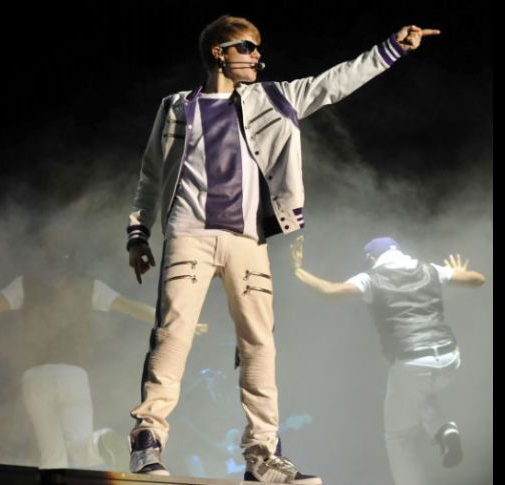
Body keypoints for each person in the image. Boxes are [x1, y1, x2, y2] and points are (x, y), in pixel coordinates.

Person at [125, 13, 439, 484]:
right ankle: (147, 440)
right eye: (247, 47)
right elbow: (151, 175)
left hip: (248, 240)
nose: (257, 56)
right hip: (189, 234)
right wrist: (138, 233)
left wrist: (391, 49)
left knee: (259, 344)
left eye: (257, 48)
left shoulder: (273, 98)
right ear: (219, 53)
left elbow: (333, 83)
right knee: (173, 335)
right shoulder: (175, 108)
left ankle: (263, 456)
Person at [0, 271, 206, 470]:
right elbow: (133, 308)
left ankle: (89, 449)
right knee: (81, 447)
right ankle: (100, 441)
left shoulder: (26, 284)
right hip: (73, 376)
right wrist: (178, 325)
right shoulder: (89, 286)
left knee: (51, 454)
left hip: (35, 377)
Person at [291, 235, 485, 485]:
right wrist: (459, 273)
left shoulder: (370, 278)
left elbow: (329, 291)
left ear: (371, 258)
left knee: (398, 437)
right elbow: (478, 279)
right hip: (450, 359)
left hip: (411, 363)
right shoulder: (430, 269)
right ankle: (444, 429)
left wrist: (298, 270)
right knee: (420, 393)